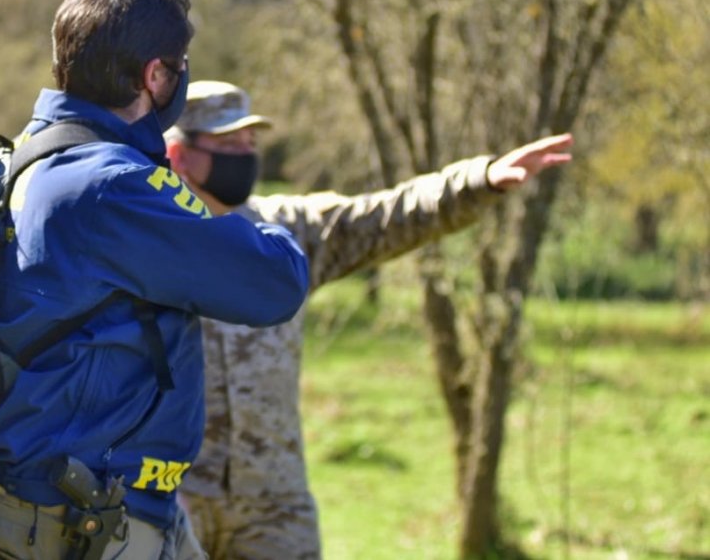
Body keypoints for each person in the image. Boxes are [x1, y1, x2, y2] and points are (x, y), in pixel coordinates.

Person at [0, 0, 310, 560]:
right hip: (77, 517)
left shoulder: (32, 157)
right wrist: (250, 221)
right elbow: (275, 282)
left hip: (61, 498)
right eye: (180, 65)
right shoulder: (113, 184)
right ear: (154, 76)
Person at [164, 80, 574, 560]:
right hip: (174, 497)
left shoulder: (286, 235)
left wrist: (478, 181)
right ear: (178, 155)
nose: (245, 155)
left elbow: (383, 217)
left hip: (273, 504)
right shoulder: (147, 245)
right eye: (228, 143)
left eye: (250, 143)